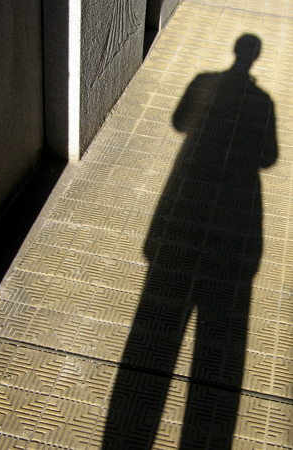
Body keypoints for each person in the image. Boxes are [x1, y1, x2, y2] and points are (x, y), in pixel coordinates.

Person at [102, 34, 277, 450]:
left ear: (236, 52)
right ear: (254, 57)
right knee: (221, 344)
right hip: (238, 211)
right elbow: (267, 157)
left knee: (151, 333)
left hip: (182, 202)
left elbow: (179, 122)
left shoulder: (203, 79)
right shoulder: (264, 100)